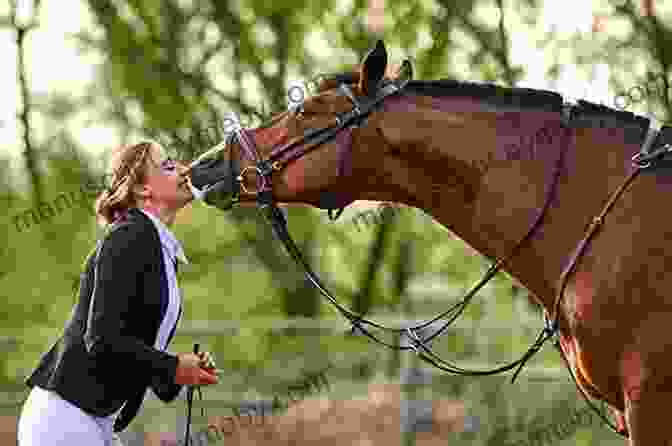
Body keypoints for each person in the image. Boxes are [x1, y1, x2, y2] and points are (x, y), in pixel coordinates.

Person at [17, 140, 219, 446]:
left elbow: (131, 348)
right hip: (66, 418)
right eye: (167, 165)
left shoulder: (154, 244)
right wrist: (173, 366)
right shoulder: (130, 235)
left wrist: (181, 371)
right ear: (142, 189)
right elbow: (102, 339)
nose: (182, 169)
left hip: (95, 421)